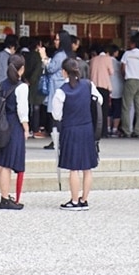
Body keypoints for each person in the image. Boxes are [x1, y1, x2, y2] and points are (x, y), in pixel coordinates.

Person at [51, 57, 101, 209]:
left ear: (64, 72)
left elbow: (56, 115)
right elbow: (99, 100)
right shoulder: (88, 85)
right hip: (87, 128)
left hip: (70, 129)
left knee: (73, 168)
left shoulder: (61, 92)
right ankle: (84, 200)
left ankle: (74, 201)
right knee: (87, 167)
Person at [0, 55, 30, 209]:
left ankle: (4, 195)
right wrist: (26, 128)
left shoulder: (0, 85)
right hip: (13, 125)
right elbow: (22, 111)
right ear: (22, 69)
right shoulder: (22, 87)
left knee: (2, 163)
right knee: (7, 164)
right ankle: (5, 199)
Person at [38, 30, 74, 150]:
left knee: (56, 115)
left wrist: (43, 56)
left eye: (57, 39)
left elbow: (51, 68)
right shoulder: (68, 54)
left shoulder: (60, 55)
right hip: (62, 85)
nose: (55, 41)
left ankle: (56, 141)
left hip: (57, 87)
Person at [120, 35, 139, 138]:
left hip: (130, 81)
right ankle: (138, 131)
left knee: (126, 106)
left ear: (133, 44)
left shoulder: (127, 54)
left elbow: (122, 67)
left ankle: (127, 130)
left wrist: (125, 76)